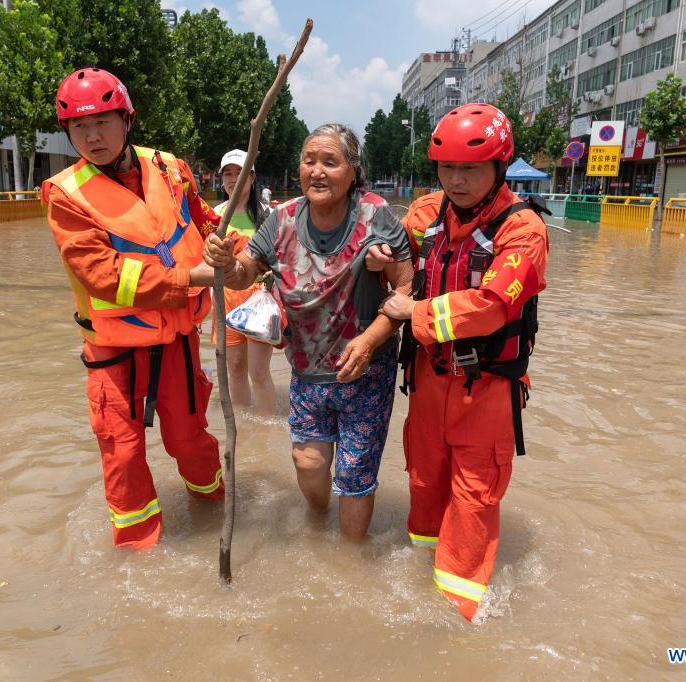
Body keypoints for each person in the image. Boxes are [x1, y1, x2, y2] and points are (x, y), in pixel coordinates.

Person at [372, 103, 549, 620]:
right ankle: (417, 579)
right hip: (428, 380)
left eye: (470, 169)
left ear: (499, 167)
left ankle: (456, 616)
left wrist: (415, 310)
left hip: (486, 389)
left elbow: (493, 305)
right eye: (447, 168)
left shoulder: (524, 230)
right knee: (424, 484)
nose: (457, 180)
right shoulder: (428, 212)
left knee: (473, 501)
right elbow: (390, 245)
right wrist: (383, 259)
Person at [41, 67, 226, 549]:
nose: (92, 135)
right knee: (122, 457)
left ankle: (214, 510)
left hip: (178, 341)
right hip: (113, 352)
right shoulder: (65, 194)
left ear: (127, 119)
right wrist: (190, 278)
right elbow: (101, 274)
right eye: (80, 127)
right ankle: (139, 557)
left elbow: (202, 226)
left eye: (103, 121)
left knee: (192, 442)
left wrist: (233, 253)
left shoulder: (170, 168)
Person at [204, 124, 414, 542]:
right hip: (306, 370)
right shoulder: (281, 219)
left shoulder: (376, 216)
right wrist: (226, 264)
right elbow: (246, 270)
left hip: (365, 373)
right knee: (308, 462)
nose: (317, 171)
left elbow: (407, 289)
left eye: (330, 162)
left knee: (355, 475)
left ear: (353, 170)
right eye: (309, 160)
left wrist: (371, 340)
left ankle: (349, 563)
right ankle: (319, 523)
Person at [213, 149, 275, 414]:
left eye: (240, 173)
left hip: (259, 301)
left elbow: (281, 257)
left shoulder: (268, 215)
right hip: (224, 301)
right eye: (228, 173)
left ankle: (266, 426)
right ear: (221, 180)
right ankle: (242, 427)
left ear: (252, 178)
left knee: (259, 372)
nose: (233, 179)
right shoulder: (213, 216)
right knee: (235, 368)